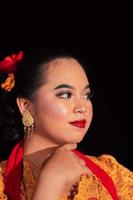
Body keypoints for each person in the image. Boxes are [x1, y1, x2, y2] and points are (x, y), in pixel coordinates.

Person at [0, 48, 132, 200]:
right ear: (26, 105)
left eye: (86, 95)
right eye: (65, 95)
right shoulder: (2, 182)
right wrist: (51, 182)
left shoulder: (113, 174)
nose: (82, 108)